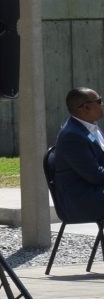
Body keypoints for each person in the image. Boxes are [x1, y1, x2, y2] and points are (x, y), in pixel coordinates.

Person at [50, 87, 104, 222]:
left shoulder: (90, 127)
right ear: (85, 108)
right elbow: (95, 176)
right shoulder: (72, 136)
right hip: (82, 201)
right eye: (99, 101)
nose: (102, 104)